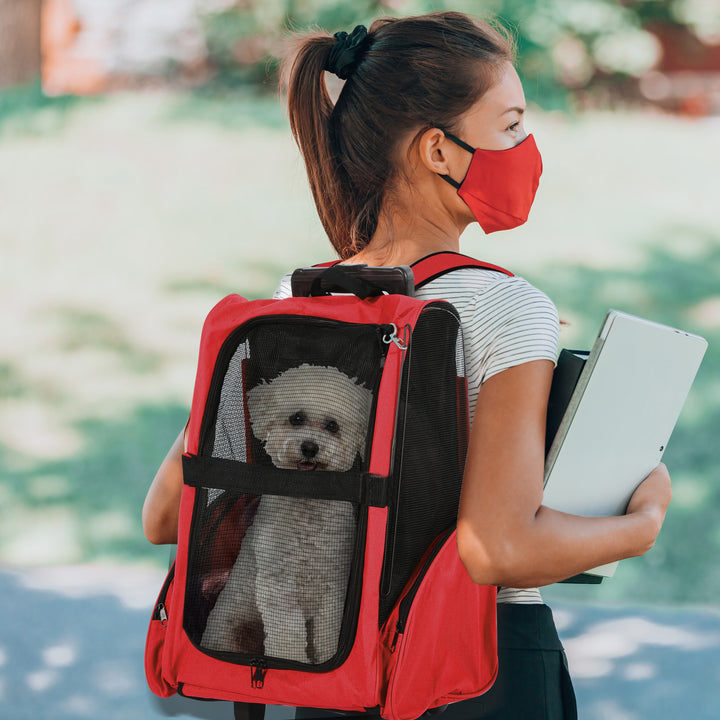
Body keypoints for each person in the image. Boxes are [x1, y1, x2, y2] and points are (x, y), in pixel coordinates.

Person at [143, 11, 672, 719]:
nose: (527, 145)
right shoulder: (506, 307)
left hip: (332, 664)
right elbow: (498, 549)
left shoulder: (292, 302)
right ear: (437, 151)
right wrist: (642, 522)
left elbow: (164, 516)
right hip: (475, 666)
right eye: (511, 124)